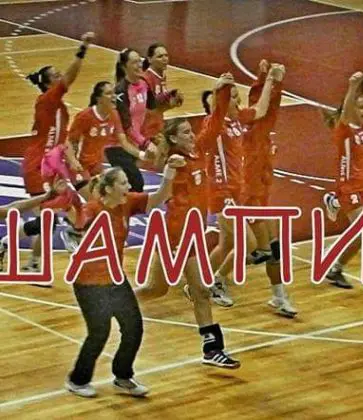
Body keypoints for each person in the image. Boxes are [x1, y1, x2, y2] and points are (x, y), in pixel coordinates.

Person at [65, 156, 184, 398]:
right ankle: (77, 380)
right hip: (88, 283)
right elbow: (73, 230)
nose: (128, 187)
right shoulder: (92, 210)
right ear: (109, 189)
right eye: (123, 183)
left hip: (114, 279)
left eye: (128, 183)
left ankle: (123, 376)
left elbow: (160, 197)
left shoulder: (127, 203)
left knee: (133, 327)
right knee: (99, 332)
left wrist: (169, 172)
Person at [134, 118, 240, 368]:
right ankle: (116, 301)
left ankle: (212, 350)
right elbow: (163, 195)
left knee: (194, 290)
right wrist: (170, 171)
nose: (192, 135)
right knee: (161, 289)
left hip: (192, 235)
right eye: (185, 132)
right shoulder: (175, 162)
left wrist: (222, 96)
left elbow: (213, 125)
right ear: (173, 139)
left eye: (191, 131)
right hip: (175, 236)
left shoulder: (197, 153)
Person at [197, 70, 276, 306]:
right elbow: (217, 111)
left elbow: (260, 110)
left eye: (236, 95)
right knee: (249, 243)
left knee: (227, 244)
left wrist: (270, 80)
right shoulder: (214, 125)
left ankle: (201, 279)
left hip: (236, 190)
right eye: (231, 97)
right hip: (221, 191)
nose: (237, 100)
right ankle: (217, 280)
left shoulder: (237, 119)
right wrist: (219, 88)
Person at [18, 31, 94, 273]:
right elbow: (70, 78)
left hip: (51, 166)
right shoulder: (47, 100)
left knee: (74, 204)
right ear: (47, 83)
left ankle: (73, 234)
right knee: (48, 220)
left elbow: (62, 141)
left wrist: (72, 160)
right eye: (55, 75)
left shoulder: (58, 107)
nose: (60, 76)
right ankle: (18, 251)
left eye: (59, 73)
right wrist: (82, 49)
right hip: (38, 166)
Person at [241, 59, 297, 317]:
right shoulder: (250, 127)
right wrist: (271, 80)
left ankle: (279, 296)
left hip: (259, 195)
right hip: (246, 197)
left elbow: (269, 105)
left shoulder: (261, 130)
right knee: (262, 250)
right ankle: (215, 278)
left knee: (272, 249)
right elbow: (263, 105)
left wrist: (271, 79)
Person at [321, 54, 363, 288]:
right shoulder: (344, 129)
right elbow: (347, 109)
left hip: (362, 187)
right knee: (362, 230)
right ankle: (332, 263)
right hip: (349, 187)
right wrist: (353, 86)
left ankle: (335, 267)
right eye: (361, 107)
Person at [108, 48, 158, 192]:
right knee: (136, 183)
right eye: (134, 62)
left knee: (128, 187)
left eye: (140, 61)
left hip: (134, 144)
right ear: (125, 67)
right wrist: (146, 143)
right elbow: (127, 126)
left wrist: (169, 99)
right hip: (117, 145)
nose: (139, 65)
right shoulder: (120, 91)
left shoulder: (144, 84)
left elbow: (153, 107)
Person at [141, 42, 184, 142]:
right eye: (160, 56)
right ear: (150, 59)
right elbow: (147, 107)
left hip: (157, 125)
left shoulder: (161, 77)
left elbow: (159, 109)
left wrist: (172, 103)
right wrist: (168, 95)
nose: (165, 59)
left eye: (166, 55)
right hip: (147, 130)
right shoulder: (145, 79)